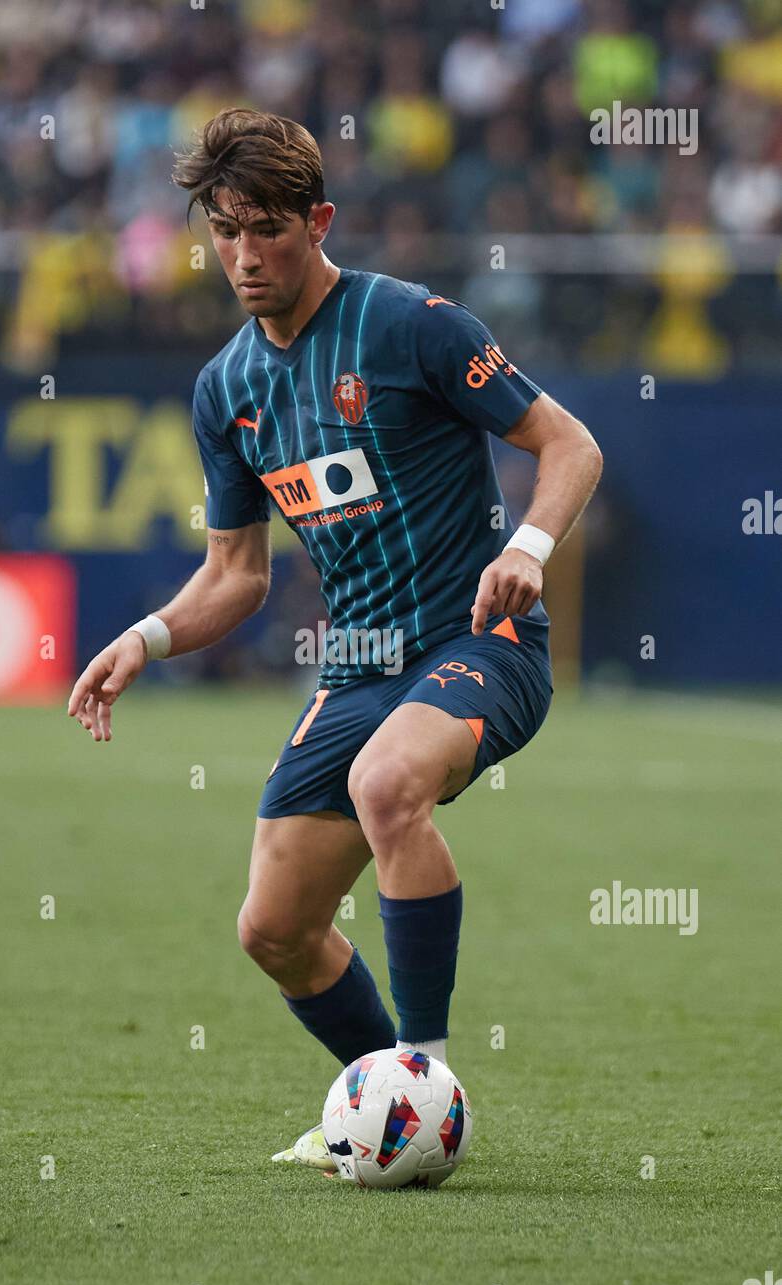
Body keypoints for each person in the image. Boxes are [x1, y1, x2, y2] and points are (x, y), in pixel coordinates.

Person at [67, 108, 603, 1172]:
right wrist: (148, 635)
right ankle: (381, 1107)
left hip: (477, 639)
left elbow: (568, 441)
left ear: (318, 222)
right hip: (355, 664)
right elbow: (236, 575)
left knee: (385, 782)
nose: (242, 254)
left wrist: (531, 546)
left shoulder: (411, 325)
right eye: (222, 231)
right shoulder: (226, 388)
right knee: (271, 928)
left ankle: (421, 1075)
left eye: (264, 228)